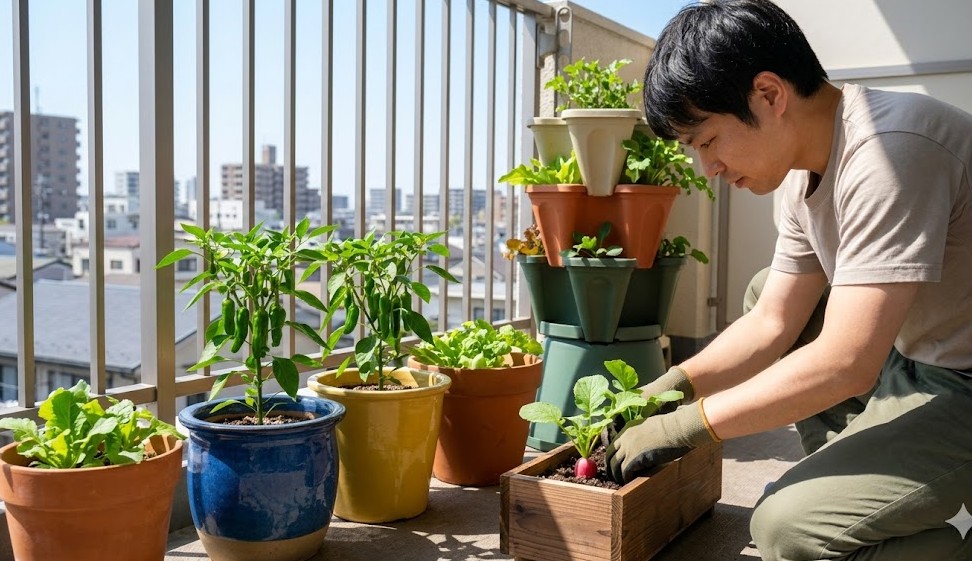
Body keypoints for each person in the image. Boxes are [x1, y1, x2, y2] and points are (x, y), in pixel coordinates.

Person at [601, 1, 972, 559]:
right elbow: (772, 319)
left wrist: (685, 427)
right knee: (764, 290)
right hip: (918, 353)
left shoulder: (892, 152)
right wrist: (672, 386)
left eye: (706, 142)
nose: (710, 170)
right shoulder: (807, 174)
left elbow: (848, 361)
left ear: (769, 95)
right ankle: (863, 499)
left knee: (786, 529)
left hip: (961, 376)